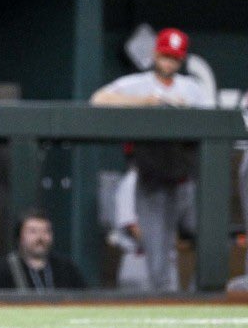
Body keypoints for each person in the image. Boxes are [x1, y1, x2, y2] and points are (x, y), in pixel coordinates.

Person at [91, 28, 214, 292]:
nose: (169, 62)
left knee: (214, 240)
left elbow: (214, 123)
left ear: (182, 61)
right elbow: (99, 99)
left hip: (186, 181)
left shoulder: (192, 89)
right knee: (158, 261)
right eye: (165, 55)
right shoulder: (138, 84)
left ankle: (203, 299)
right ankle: (167, 314)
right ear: (155, 54)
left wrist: (186, 112)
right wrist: (143, 102)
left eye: (175, 58)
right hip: (151, 182)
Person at [0, 209, 87, 291]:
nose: (40, 238)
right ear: (20, 237)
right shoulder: (3, 271)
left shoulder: (66, 268)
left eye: (46, 231)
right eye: (33, 231)